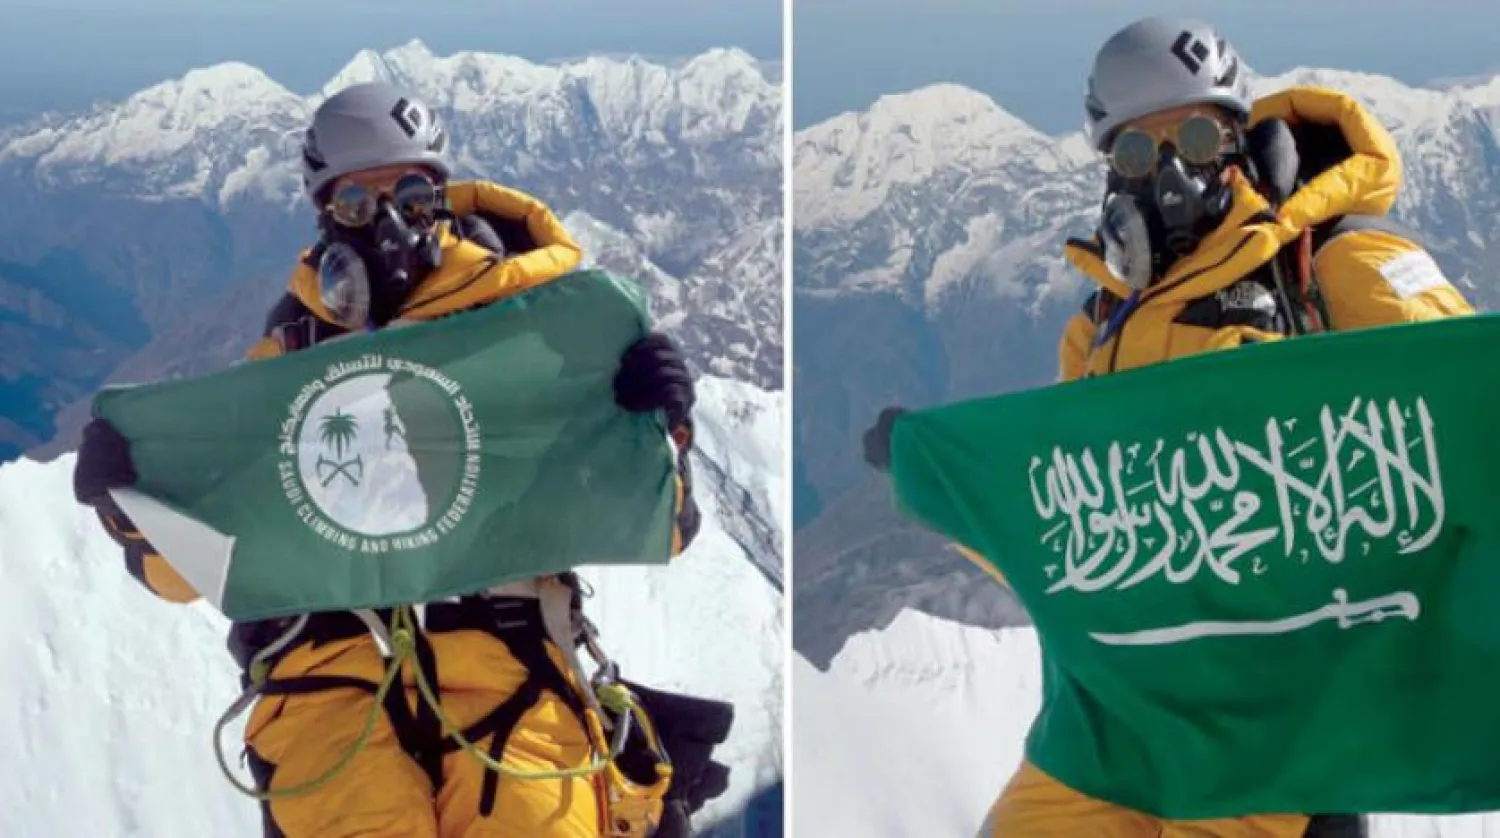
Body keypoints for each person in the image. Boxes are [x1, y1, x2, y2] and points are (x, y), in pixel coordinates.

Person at [864, 15, 1472, 838]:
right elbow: (1063, 526)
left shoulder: (1330, 266)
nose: (1171, 172)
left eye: (1193, 134)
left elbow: (1464, 420)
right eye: (1138, 152)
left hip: (1275, 732)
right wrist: (937, 475)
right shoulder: (1100, 329)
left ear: (1239, 137)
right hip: (1117, 718)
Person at [72, 81, 730, 838]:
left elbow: (662, 527)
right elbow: (194, 567)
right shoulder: (289, 358)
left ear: (446, 194)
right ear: (323, 211)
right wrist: (135, 500)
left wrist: (659, 430)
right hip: (327, 670)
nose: (388, 223)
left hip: (503, 662)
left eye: (413, 193)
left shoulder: (539, 341)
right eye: (357, 201)